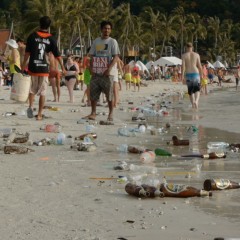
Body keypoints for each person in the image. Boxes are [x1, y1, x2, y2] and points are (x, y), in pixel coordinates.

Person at [21, 16, 65, 120]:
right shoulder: (51, 39)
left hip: (33, 68)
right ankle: (40, 114)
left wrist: (23, 66)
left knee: (32, 90)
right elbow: (58, 55)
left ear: (39, 24)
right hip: (44, 69)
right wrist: (63, 67)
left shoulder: (32, 36)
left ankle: (31, 106)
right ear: (49, 26)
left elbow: (27, 54)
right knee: (43, 92)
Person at [83, 20, 120, 121]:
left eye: (108, 29)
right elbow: (90, 56)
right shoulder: (96, 41)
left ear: (111, 30)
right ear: (101, 29)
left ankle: (110, 113)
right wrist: (90, 67)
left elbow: (116, 57)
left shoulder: (113, 42)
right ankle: (93, 113)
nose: (107, 30)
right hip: (96, 72)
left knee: (109, 94)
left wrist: (109, 69)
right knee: (93, 93)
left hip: (108, 73)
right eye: (105, 28)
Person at [181, 42, 203, 109]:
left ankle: (193, 103)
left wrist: (182, 76)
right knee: (197, 90)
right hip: (196, 73)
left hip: (188, 74)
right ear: (192, 47)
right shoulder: (196, 55)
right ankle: (196, 101)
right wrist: (201, 75)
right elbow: (200, 66)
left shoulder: (184, 55)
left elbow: (183, 67)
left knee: (191, 91)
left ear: (186, 47)